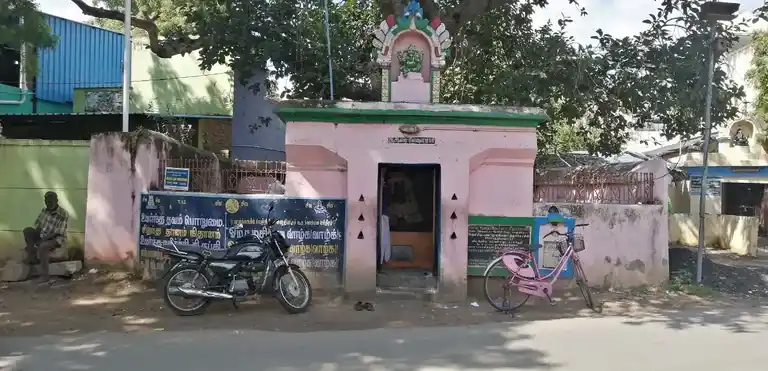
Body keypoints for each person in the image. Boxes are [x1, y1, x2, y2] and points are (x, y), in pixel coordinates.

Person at [23, 191, 68, 283]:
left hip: (55, 239)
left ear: (56, 201)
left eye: (51, 202)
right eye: (47, 202)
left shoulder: (63, 214)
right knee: (27, 230)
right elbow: (38, 226)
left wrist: (42, 240)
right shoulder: (44, 211)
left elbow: (58, 232)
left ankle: (45, 276)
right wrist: (37, 237)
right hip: (43, 236)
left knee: (43, 247)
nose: (48, 204)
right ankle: (32, 256)